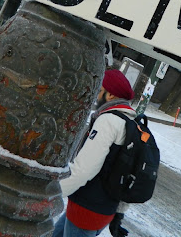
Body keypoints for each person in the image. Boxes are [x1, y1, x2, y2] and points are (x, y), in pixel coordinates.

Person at [53, 69, 136, 237]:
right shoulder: (130, 123)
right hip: (103, 208)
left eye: (100, 90)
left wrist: (53, 194)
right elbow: (128, 172)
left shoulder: (108, 121)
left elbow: (84, 169)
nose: (96, 95)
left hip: (87, 208)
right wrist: (119, 212)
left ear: (110, 95)